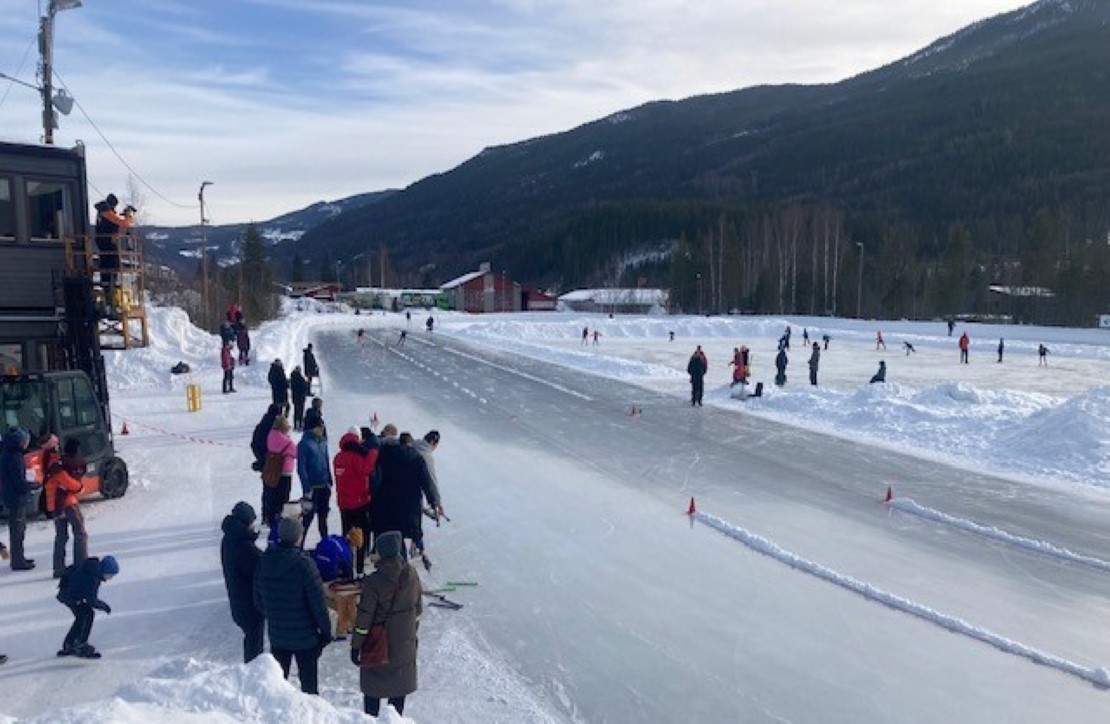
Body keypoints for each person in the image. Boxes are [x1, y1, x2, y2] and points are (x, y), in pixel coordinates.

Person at [254, 518, 331, 695]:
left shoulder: (264, 561)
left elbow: (258, 599)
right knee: (309, 690)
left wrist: (275, 617)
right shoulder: (304, 564)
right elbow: (318, 604)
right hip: (306, 639)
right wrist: (326, 632)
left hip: (278, 636)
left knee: (279, 689)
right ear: (299, 537)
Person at [351, 530, 423, 718]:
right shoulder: (412, 574)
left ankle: (371, 719)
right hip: (404, 646)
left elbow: (364, 620)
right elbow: (418, 609)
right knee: (398, 693)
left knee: (373, 695)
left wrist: (356, 645)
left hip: (378, 648)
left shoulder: (374, 582)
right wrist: (409, 634)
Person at [372, 428, 440, 569]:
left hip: (389, 504)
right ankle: (403, 571)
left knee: (395, 538)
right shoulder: (418, 459)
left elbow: (376, 475)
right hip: (410, 507)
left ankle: (392, 569)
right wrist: (434, 502)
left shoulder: (386, 455)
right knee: (406, 533)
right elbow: (427, 483)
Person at [220, 501, 264, 663]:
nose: (254, 526)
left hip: (239, 600)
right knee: (254, 640)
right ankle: (254, 671)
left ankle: (253, 669)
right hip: (248, 603)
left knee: (252, 637)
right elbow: (261, 565)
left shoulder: (230, 539)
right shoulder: (243, 546)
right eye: (252, 523)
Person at [56, 555, 119, 659]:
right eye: (109, 575)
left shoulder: (92, 568)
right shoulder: (93, 577)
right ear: (105, 570)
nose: (109, 578)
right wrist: (104, 606)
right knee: (87, 615)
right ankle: (80, 644)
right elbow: (92, 600)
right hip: (71, 597)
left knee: (82, 616)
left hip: (68, 594)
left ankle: (69, 643)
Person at [335, 428, 378, 574]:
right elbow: (365, 470)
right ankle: (359, 569)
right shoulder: (356, 457)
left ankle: (346, 567)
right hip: (359, 502)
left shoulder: (338, 458)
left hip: (343, 503)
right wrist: (373, 452)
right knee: (362, 537)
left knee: (347, 535)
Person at [46, 437, 88, 578]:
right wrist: (80, 486)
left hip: (54, 505)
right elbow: (66, 481)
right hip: (66, 503)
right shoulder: (56, 463)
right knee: (80, 533)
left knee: (61, 536)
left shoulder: (47, 461)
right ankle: (81, 565)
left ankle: (58, 568)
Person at [92, 194, 133, 312]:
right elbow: (123, 224)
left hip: (105, 245)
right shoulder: (106, 212)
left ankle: (109, 299)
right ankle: (110, 301)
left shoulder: (102, 212)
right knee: (111, 270)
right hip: (108, 245)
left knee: (108, 271)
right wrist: (128, 216)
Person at [1, 427, 34, 570]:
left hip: (9, 495)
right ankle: (18, 561)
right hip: (15, 497)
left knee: (17, 528)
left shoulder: (7, 452)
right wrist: (30, 486)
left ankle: (18, 558)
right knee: (18, 529)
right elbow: (18, 480)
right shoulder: (15, 456)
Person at [298, 422, 333, 545]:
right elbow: (301, 468)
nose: (322, 429)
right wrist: (306, 487)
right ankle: (299, 544)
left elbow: (326, 461)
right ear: (313, 428)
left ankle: (325, 543)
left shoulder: (323, 442)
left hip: (324, 486)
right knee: (307, 519)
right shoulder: (304, 444)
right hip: (312, 488)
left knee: (323, 518)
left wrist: (329, 479)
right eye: (319, 427)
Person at [265, 417, 298, 546]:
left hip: (272, 470)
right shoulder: (286, 441)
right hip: (284, 472)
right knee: (283, 499)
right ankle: (278, 524)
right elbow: (295, 452)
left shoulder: (271, 435)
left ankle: (271, 518)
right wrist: (289, 438)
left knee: (273, 497)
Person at [413, 431, 444, 520]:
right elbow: (432, 481)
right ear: (432, 442)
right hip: (412, 493)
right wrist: (438, 503)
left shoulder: (412, 444)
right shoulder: (427, 456)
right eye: (436, 445)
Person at [290, 366, 308, 431]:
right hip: (301, 397)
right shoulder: (300, 378)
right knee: (300, 411)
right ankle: (300, 425)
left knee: (296, 411)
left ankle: (295, 425)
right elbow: (304, 387)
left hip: (295, 397)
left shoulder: (292, 378)